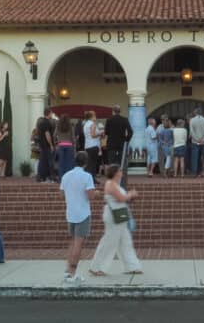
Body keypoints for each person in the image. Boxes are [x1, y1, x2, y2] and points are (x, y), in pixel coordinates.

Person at [88, 164, 143, 276]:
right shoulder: (110, 184)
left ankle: (132, 266)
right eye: (120, 171)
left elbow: (122, 199)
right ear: (115, 173)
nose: (121, 172)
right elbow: (121, 198)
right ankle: (97, 267)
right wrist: (130, 194)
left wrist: (130, 197)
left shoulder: (116, 185)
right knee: (109, 241)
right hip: (113, 216)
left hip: (121, 216)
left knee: (125, 241)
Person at [60, 151, 96, 284]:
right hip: (83, 213)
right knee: (78, 244)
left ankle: (67, 270)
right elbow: (90, 196)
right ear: (86, 162)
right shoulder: (87, 176)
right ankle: (72, 273)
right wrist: (96, 193)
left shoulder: (66, 176)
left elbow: (62, 194)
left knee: (73, 242)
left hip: (70, 213)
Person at [188, 108, 204, 178]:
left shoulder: (192, 120)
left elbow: (191, 131)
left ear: (196, 113)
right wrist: (203, 139)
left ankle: (194, 173)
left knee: (194, 158)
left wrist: (197, 139)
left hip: (195, 142)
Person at [35, 109, 56, 183]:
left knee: (42, 161)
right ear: (49, 113)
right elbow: (47, 134)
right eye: (51, 113)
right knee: (50, 161)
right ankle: (51, 177)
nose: (52, 114)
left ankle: (40, 177)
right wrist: (51, 145)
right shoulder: (47, 122)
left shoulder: (40, 122)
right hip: (47, 145)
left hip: (42, 145)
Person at [82, 111, 101, 180]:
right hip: (93, 145)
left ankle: (89, 178)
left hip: (87, 145)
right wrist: (101, 133)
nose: (96, 116)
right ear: (91, 117)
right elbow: (93, 135)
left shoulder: (85, 124)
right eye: (95, 115)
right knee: (93, 164)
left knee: (89, 164)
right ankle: (92, 179)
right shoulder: (92, 124)